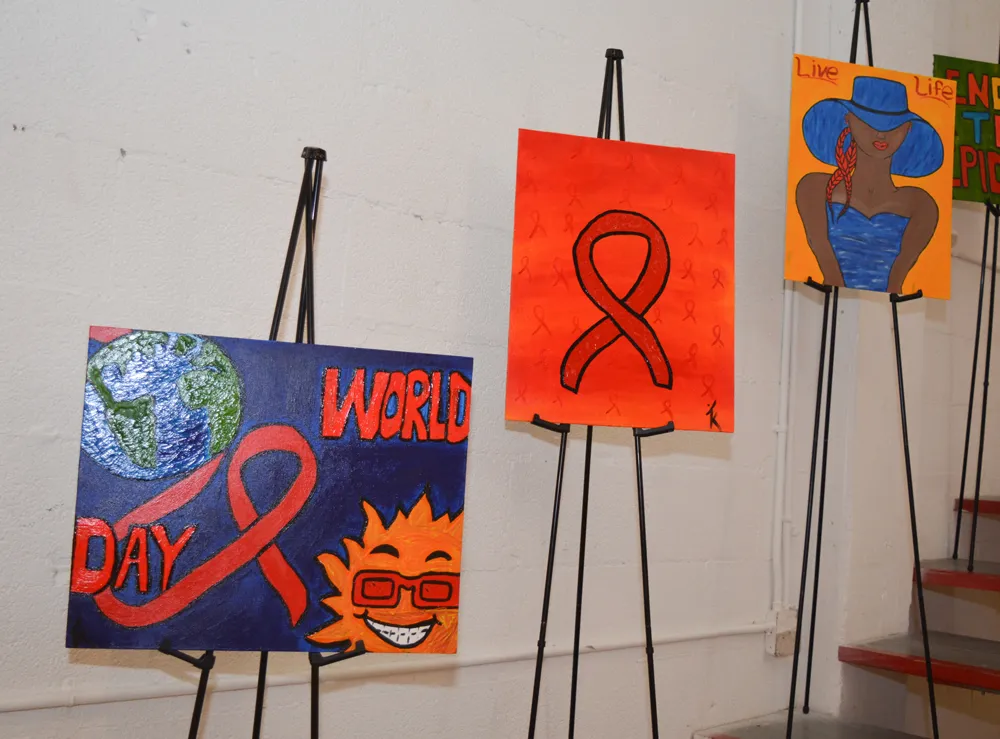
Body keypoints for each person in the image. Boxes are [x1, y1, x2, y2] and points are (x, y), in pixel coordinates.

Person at [795, 76, 945, 293]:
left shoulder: (921, 205)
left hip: (879, 306)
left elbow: (896, 282)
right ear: (849, 120)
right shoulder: (814, 187)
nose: (881, 134)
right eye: (869, 122)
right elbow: (827, 263)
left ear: (907, 129)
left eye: (893, 125)